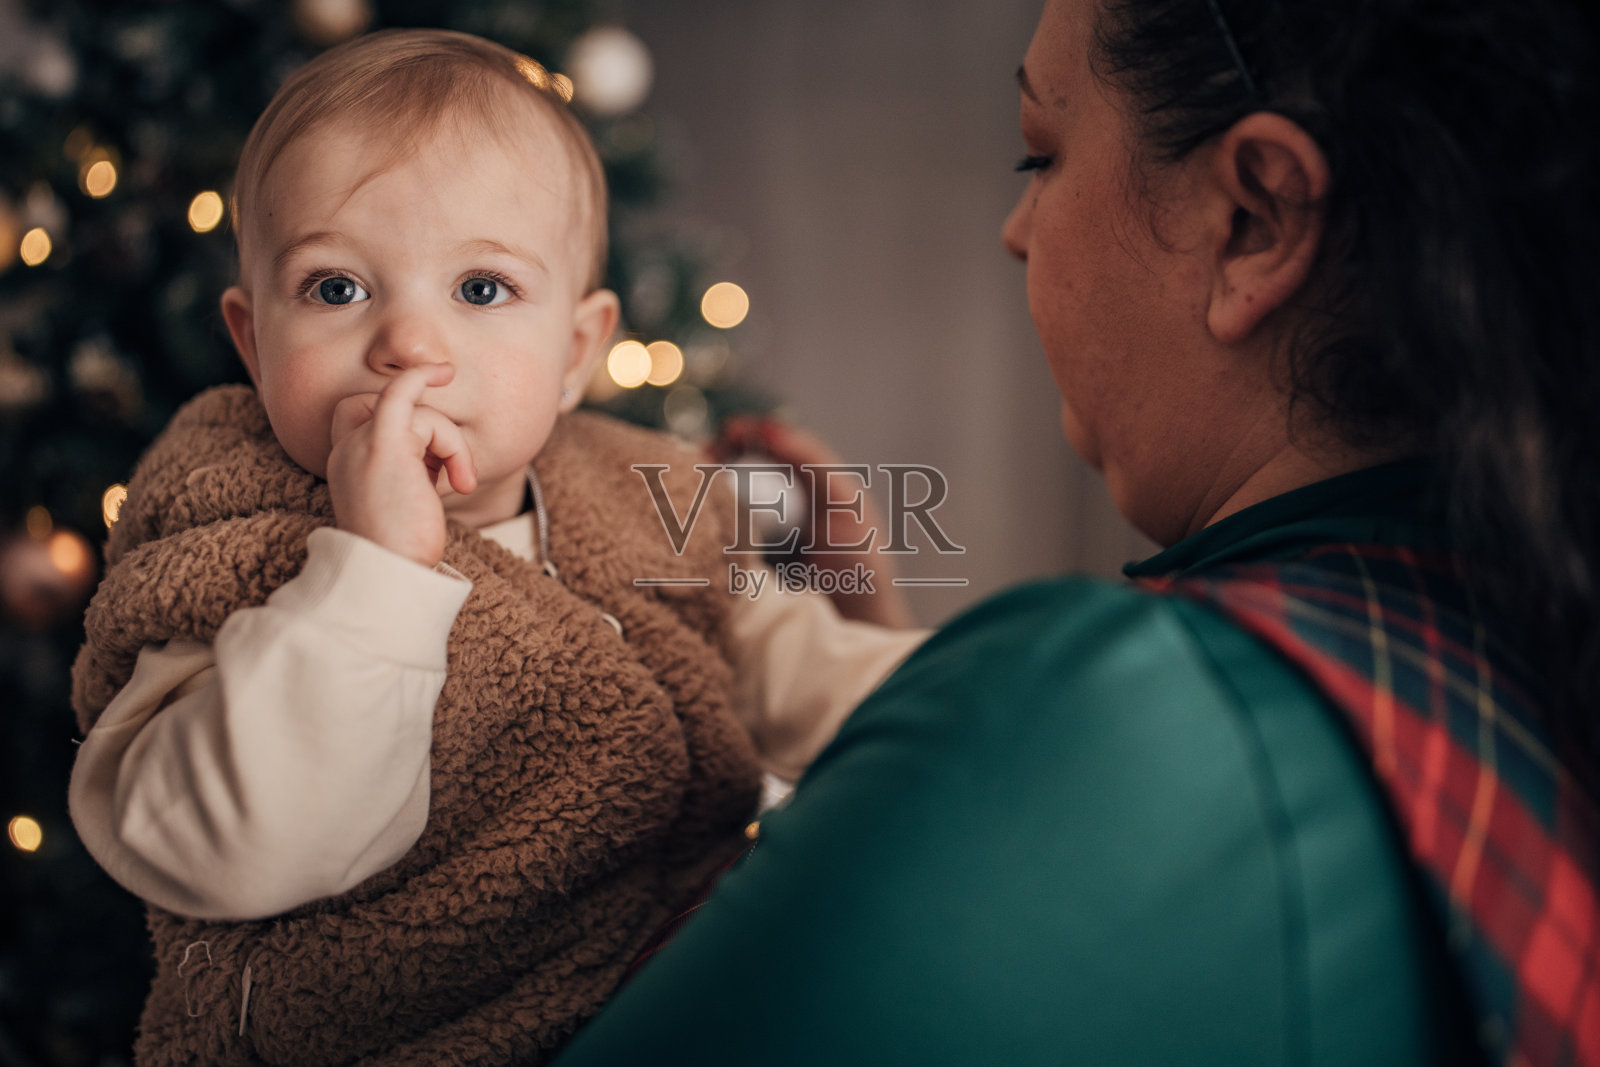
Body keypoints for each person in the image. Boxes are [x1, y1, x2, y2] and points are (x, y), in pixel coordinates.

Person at [552, 0, 1600, 1063]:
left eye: (1039, 157)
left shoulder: (1120, 712)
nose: (1015, 232)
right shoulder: (1522, 631)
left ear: (1253, 220)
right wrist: (887, 660)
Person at [66, 29, 924, 1067]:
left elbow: (786, 658)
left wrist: (968, 690)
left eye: (480, 290)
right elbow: (225, 844)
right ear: (253, 341)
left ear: (572, 352)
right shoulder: (232, 533)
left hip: (667, 989)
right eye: (337, 289)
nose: (409, 346)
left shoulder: (636, 493)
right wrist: (377, 566)